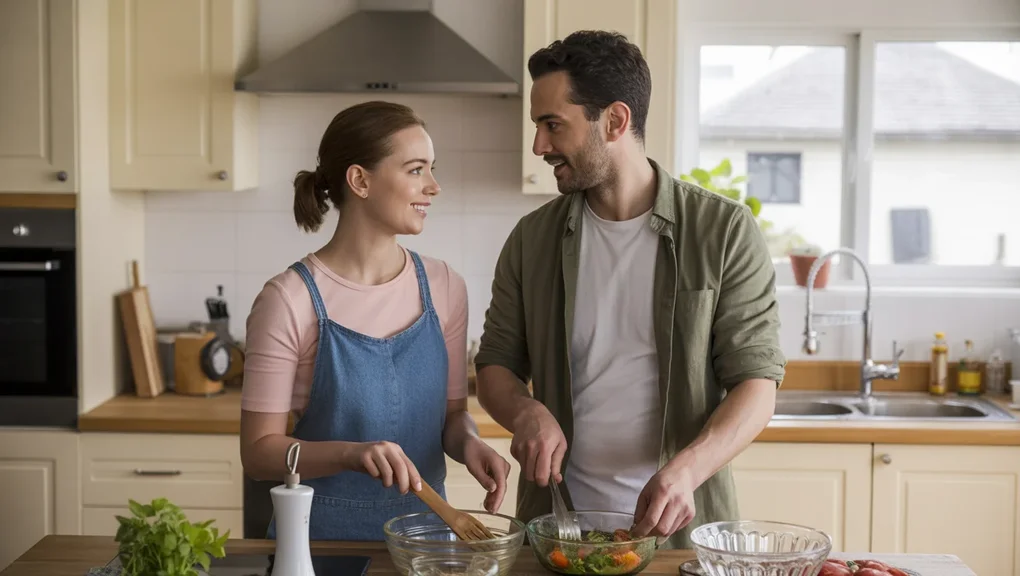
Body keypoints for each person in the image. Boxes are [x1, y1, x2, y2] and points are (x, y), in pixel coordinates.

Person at [474, 31, 786, 549]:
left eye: (553, 125)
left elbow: (757, 385)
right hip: (557, 532)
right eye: (538, 126)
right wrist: (526, 412)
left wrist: (688, 469)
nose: (539, 146)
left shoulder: (723, 231)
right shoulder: (532, 239)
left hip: (683, 536)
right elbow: (496, 367)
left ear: (615, 121)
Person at [239, 101, 511, 541]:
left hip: (425, 544)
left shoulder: (445, 287)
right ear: (360, 180)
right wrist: (350, 454)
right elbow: (257, 453)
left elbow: (453, 416)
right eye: (416, 169)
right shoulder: (288, 300)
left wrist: (471, 445)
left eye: (431, 169)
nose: (434, 186)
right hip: (317, 545)